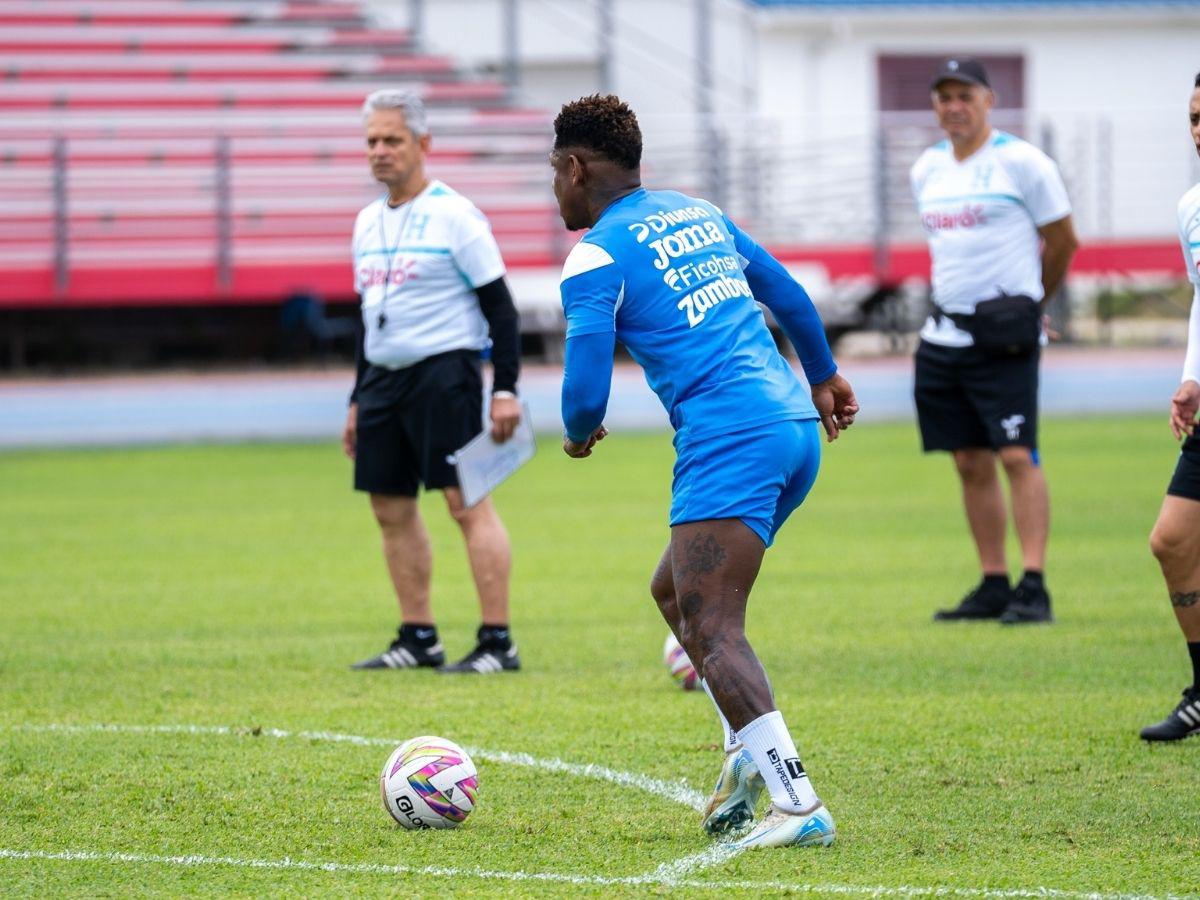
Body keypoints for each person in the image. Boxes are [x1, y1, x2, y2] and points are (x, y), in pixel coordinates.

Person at [551, 95, 858, 848]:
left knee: (716, 626)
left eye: (553, 174)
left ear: (575, 167)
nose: (553, 188)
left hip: (732, 438)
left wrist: (579, 433)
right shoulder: (698, 214)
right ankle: (742, 757)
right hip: (792, 428)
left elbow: (585, 392)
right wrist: (823, 377)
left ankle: (798, 803)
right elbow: (784, 292)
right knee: (674, 593)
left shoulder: (595, 255)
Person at [343, 89, 523, 675]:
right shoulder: (367, 221)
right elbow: (371, 316)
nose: (379, 151)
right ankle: (418, 636)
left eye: (392, 139)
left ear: (423, 143)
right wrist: (355, 398)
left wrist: (505, 388)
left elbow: (502, 310)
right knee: (389, 508)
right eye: (372, 140)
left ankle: (498, 641)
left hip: (446, 374)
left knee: (465, 503)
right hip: (382, 382)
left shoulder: (456, 216)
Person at [911, 58, 1078, 625]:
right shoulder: (926, 169)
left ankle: (1034, 584)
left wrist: (1034, 305)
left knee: (1015, 453)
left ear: (988, 99)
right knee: (967, 460)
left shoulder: (1022, 162)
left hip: (1004, 337)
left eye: (965, 95)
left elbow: (1062, 239)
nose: (953, 106)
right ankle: (992, 582)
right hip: (943, 334)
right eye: (943, 97)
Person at [1142, 72, 1200, 742]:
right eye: (1192, 117)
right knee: (1173, 540)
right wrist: (1191, 378)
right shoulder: (1191, 207)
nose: (1198, 129)